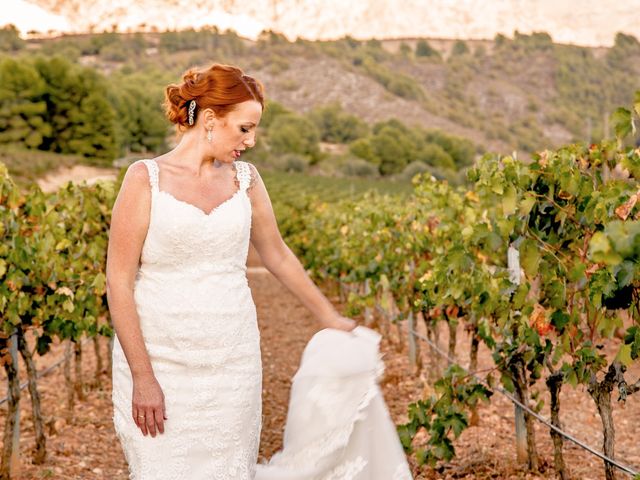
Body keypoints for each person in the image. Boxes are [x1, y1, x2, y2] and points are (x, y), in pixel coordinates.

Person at [106, 62, 355, 479]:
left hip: (233, 360)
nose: (251, 141)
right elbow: (118, 281)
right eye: (244, 128)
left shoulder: (248, 180)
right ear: (209, 119)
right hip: (160, 360)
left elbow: (277, 255)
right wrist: (143, 377)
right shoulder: (143, 179)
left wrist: (327, 316)